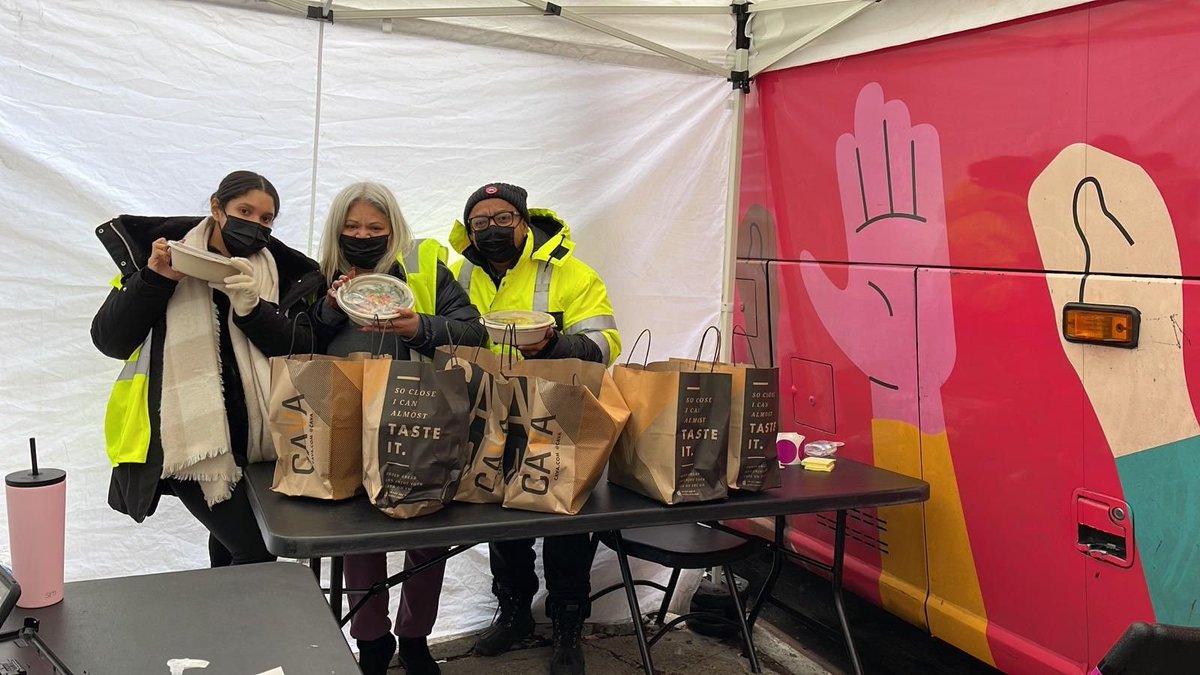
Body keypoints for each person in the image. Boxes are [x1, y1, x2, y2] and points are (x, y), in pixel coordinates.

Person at [92, 170, 324, 567]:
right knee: (255, 549)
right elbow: (109, 340)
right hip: (187, 440)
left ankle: (224, 610)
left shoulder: (280, 274)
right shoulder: (161, 258)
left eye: (266, 218)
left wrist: (253, 310)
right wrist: (155, 279)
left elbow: (299, 350)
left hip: (257, 441)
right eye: (244, 211)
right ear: (217, 208)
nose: (255, 224)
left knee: (230, 545)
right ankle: (243, 613)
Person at [311, 182, 487, 675]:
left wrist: (418, 328)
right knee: (360, 536)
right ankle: (371, 641)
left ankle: (415, 637)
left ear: (394, 229)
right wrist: (329, 309)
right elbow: (294, 337)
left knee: (426, 529)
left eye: (375, 227)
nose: (363, 236)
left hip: (420, 415)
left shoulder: (426, 263)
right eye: (351, 227)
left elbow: (474, 331)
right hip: (345, 420)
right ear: (336, 230)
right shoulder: (319, 272)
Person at [448, 182, 621, 675]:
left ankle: (568, 622)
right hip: (491, 414)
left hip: (558, 415)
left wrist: (553, 345)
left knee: (565, 522)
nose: (492, 229)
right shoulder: (459, 274)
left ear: (524, 223)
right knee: (503, 520)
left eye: (504, 218)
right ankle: (515, 613)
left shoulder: (571, 273)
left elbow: (606, 344)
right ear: (470, 230)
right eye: (481, 222)